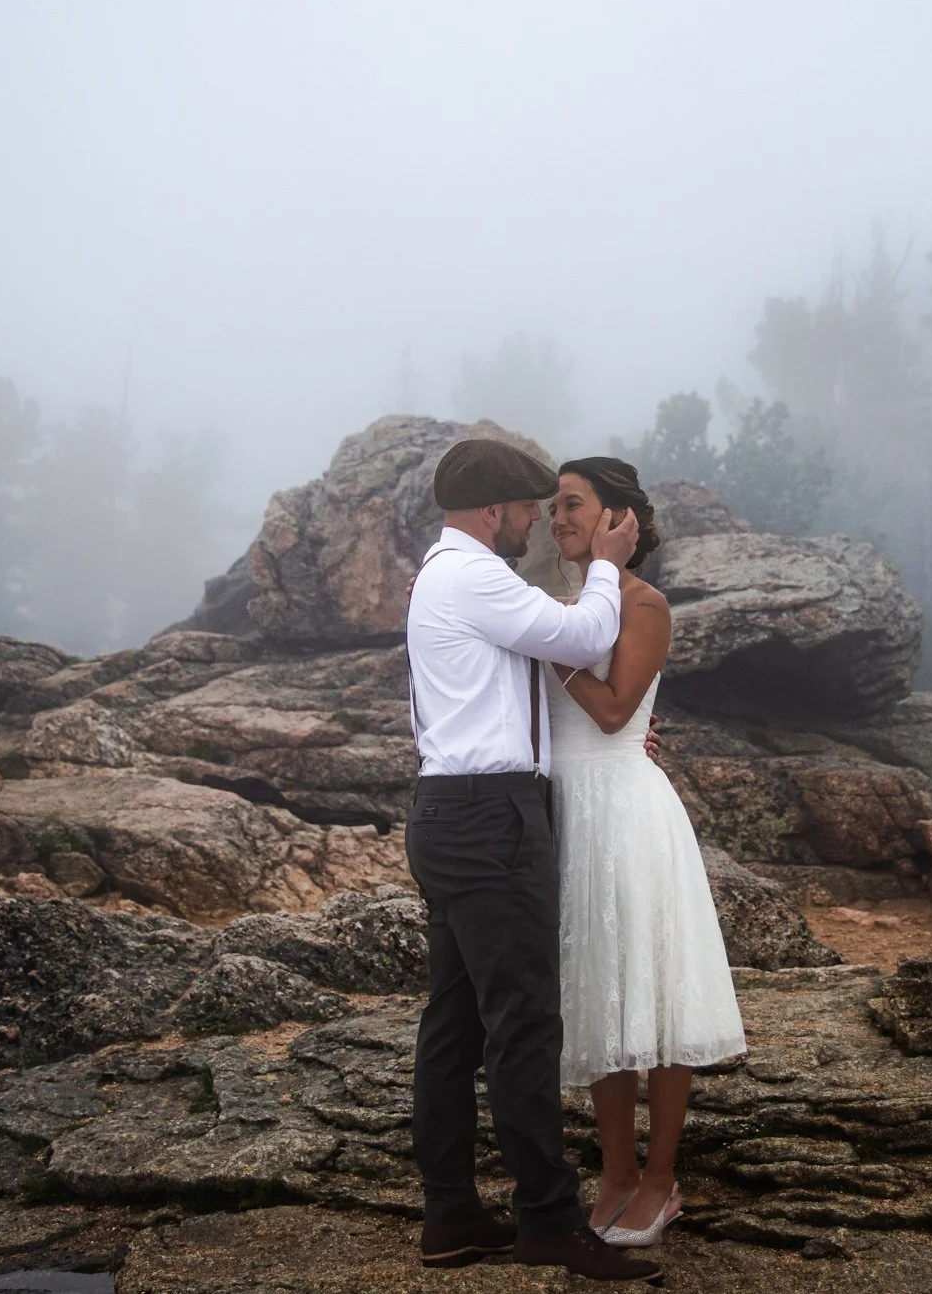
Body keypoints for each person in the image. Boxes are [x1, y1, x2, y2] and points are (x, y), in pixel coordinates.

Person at [403, 437, 664, 1285]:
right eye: (526, 509)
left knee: (455, 1024)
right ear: (493, 510)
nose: (535, 525)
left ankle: (450, 1212)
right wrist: (608, 563)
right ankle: (549, 1220)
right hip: (490, 819)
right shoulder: (476, 574)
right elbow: (586, 630)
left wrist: (590, 741)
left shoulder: (439, 576)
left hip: (448, 809)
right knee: (523, 1024)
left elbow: (507, 688)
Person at [546, 457, 747, 1248]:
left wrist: (554, 656)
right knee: (600, 992)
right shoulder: (563, 603)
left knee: (653, 993)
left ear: (617, 520)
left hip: (625, 811)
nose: (557, 516)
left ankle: (661, 1178)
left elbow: (615, 709)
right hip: (568, 812)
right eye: (554, 504)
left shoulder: (643, 602)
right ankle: (617, 1173)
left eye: (573, 504)